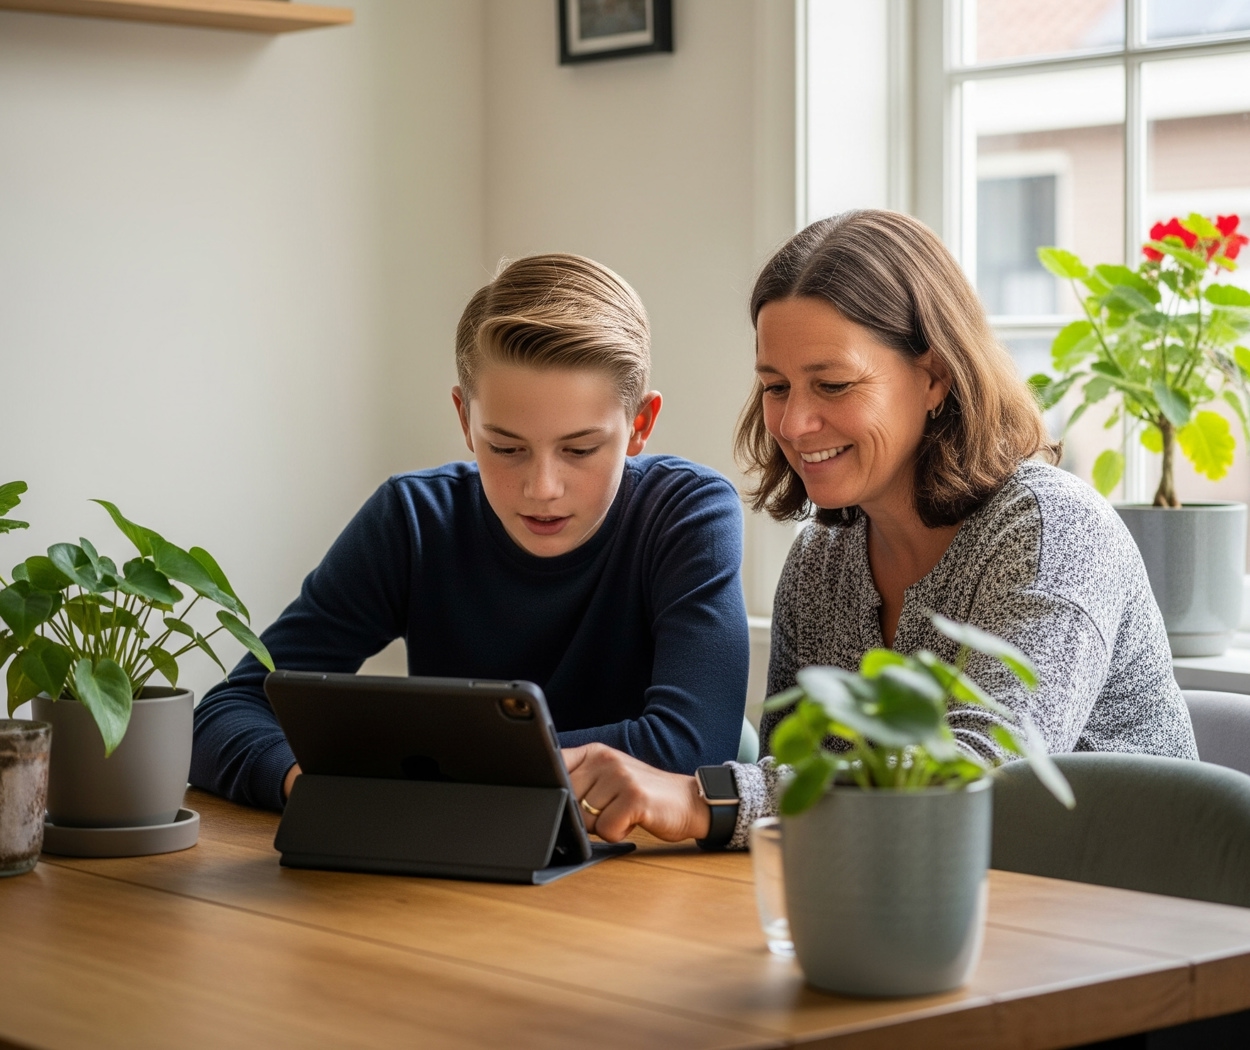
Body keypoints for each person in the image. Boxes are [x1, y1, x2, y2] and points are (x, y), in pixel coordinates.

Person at [563, 209, 1199, 851]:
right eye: (776, 387)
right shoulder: (822, 559)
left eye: (833, 384)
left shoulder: (1053, 529)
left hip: (1129, 915)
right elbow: (799, 790)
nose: (794, 423)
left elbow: (975, 779)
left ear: (935, 376)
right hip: (925, 910)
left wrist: (711, 799)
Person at [191, 253, 750, 810]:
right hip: (451, 872)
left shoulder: (688, 513)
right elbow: (227, 712)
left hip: (639, 876)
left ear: (640, 426)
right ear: (464, 420)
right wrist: (310, 784)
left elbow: (692, 748)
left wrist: (412, 770)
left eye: (580, 449)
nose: (542, 487)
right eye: (506, 448)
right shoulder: (413, 520)